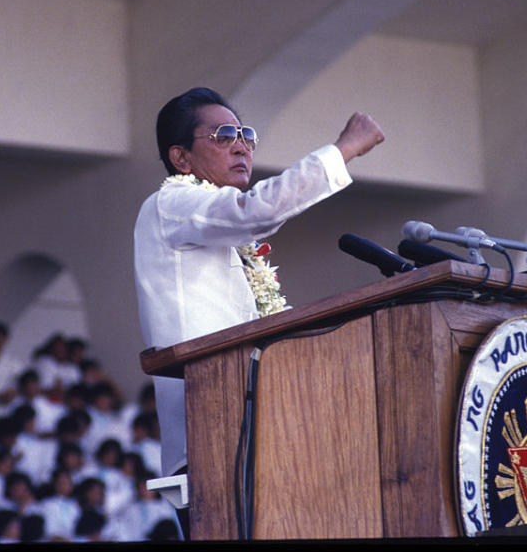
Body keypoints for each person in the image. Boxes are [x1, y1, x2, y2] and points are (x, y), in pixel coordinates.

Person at [133, 87, 384, 487]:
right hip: (210, 444)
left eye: (245, 136)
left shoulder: (218, 226)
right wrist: (344, 149)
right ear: (180, 157)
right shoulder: (170, 204)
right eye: (223, 136)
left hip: (259, 433)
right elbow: (258, 211)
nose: (241, 148)